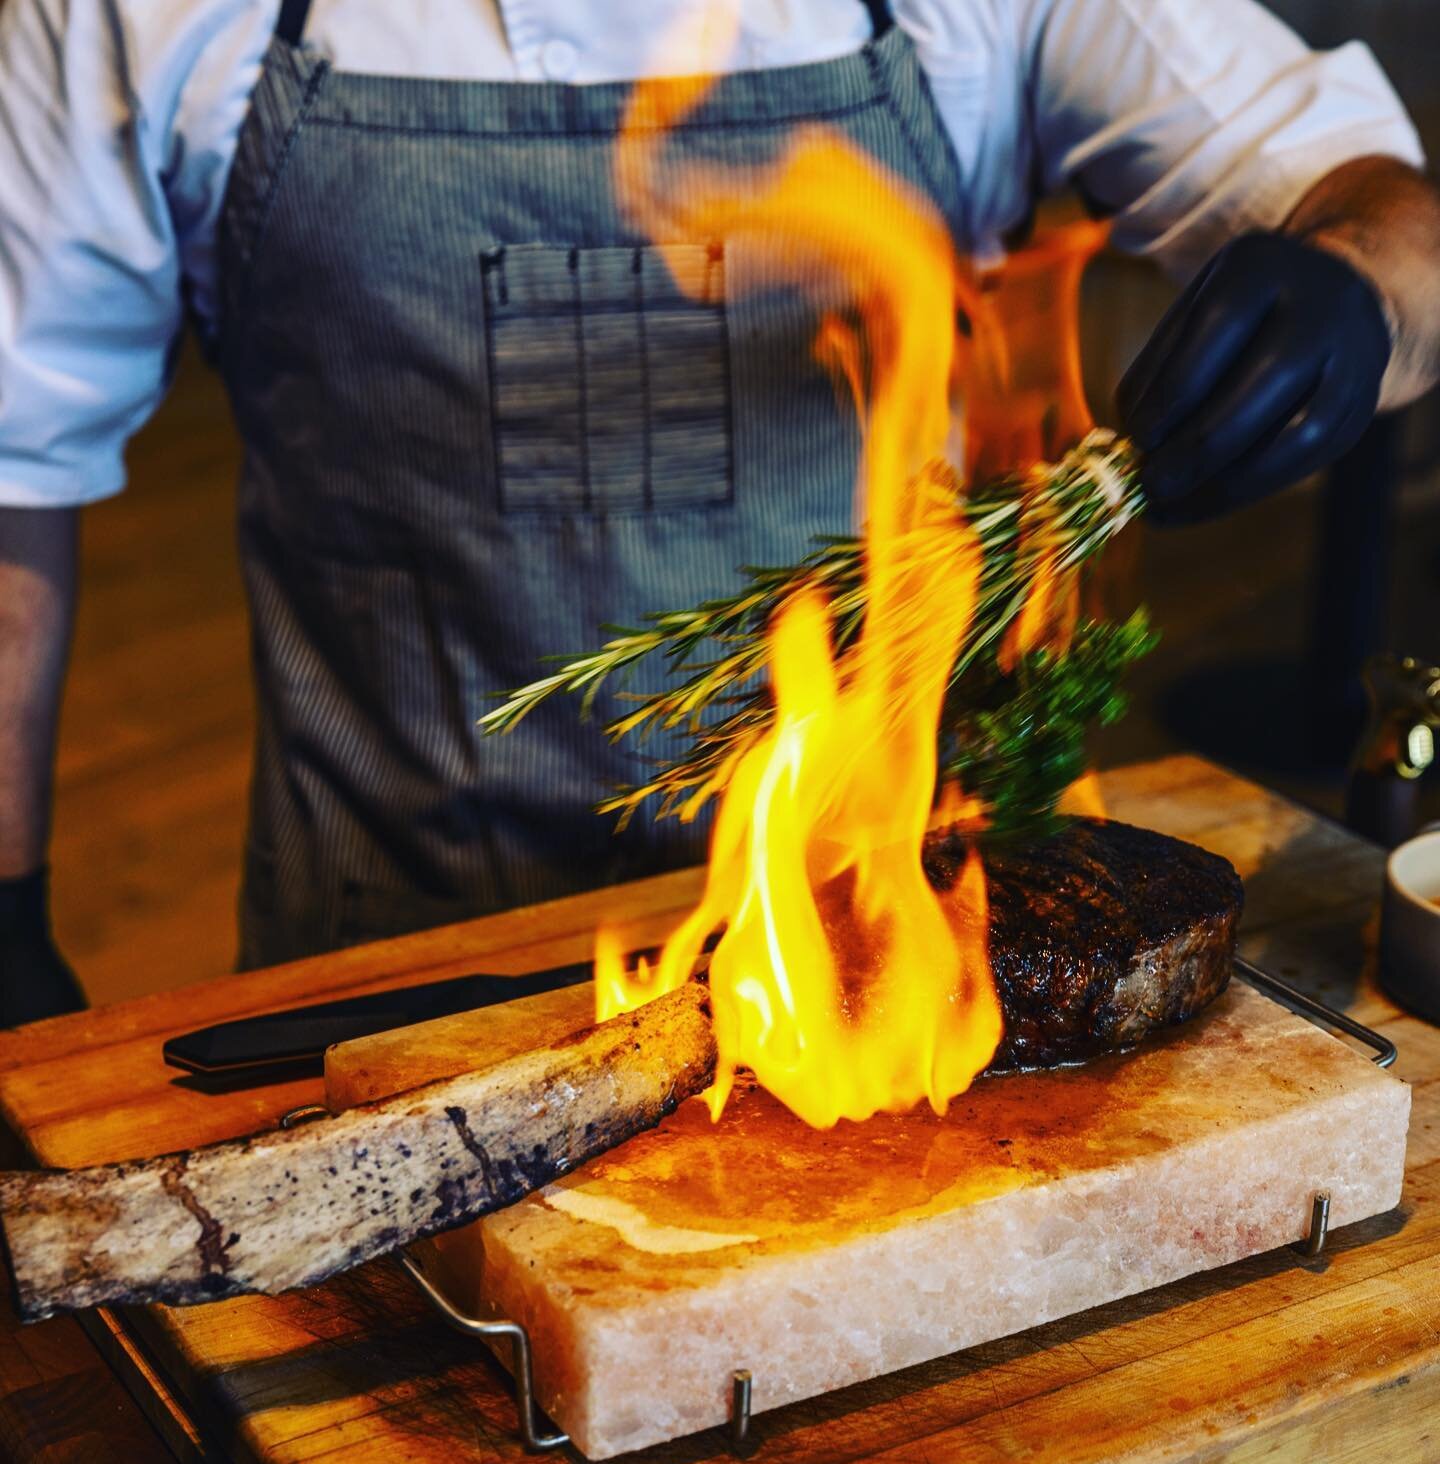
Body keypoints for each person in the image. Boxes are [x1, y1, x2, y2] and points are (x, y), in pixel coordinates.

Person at [1, 0, 1438, 1028]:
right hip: (393, 982)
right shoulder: (157, 21)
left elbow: (1396, 222)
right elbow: (13, 454)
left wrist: (1357, 283)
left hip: (903, 973)